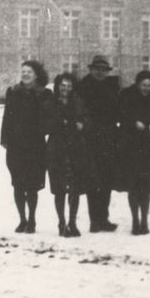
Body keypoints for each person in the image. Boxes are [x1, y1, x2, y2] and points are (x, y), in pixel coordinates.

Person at [0, 60, 53, 234]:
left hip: (35, 146)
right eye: (23, 71)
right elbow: (7, 116)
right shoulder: (13, 92)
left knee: (31, 186)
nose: (25, 74)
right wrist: (4, 139)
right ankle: (22, 219)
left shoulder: (45, 94)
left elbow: (48, 119)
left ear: (36, 75)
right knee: (18, 185)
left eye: (29, 71)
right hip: (16, 145)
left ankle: (32, 220)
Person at [76, 55, 119, 233]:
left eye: (104, 70)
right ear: (91, 69)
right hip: (90, 138)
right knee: (93, 180)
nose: (100, 72)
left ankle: (104, 218)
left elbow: (117, 109)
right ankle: (95, 220)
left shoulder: (112, 86)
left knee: (107, 180)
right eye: (97, 69)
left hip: (109, 138)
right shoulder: (82, 86)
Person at [45, 73, 89, 237]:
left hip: (75, 148)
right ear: (57, 86)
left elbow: (87, 119)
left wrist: (82, 124)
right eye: (63, 85)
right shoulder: (50, 103)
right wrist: (59, 122)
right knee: (59, 189)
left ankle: (73, 222)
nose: (66, 89)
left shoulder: (78, 102)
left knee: (75, 189)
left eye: (69, 86)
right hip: (57, 149)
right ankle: (61, 223)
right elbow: (45, 125)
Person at [116, 70, 150, 235]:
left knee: (145, 185)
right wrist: (134, 122)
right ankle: (135, 220)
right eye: (144, 85)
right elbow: (120, 113)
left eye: (149, 85)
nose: (146, 88)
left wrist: (146, 121)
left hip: (145, 143)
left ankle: (145, 221)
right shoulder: (126, 95)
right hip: (128, 143)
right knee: (133, 184)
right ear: (138, 84)